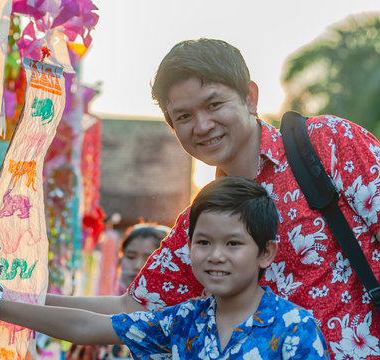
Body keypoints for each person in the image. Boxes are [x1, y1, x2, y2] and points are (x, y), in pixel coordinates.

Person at [44, 38, 380, 358]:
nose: (203, 125)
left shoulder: (328, 144)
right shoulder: (202, 221)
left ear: (250, 97)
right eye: (184, 117)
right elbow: (131, 308)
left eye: (214, 104)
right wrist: (9, 295)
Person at [0, 176, 330, 359]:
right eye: (203, 242)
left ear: (265, 253)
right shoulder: (183, 320)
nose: (216, 255)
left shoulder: (295, 328)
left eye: (233, 244)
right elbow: (86, 328)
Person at [66, 223, 169, 360]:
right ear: (120, 260)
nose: (138, 265)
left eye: (149, 258)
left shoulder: (176, 320)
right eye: (130, 257)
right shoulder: (98, 316)